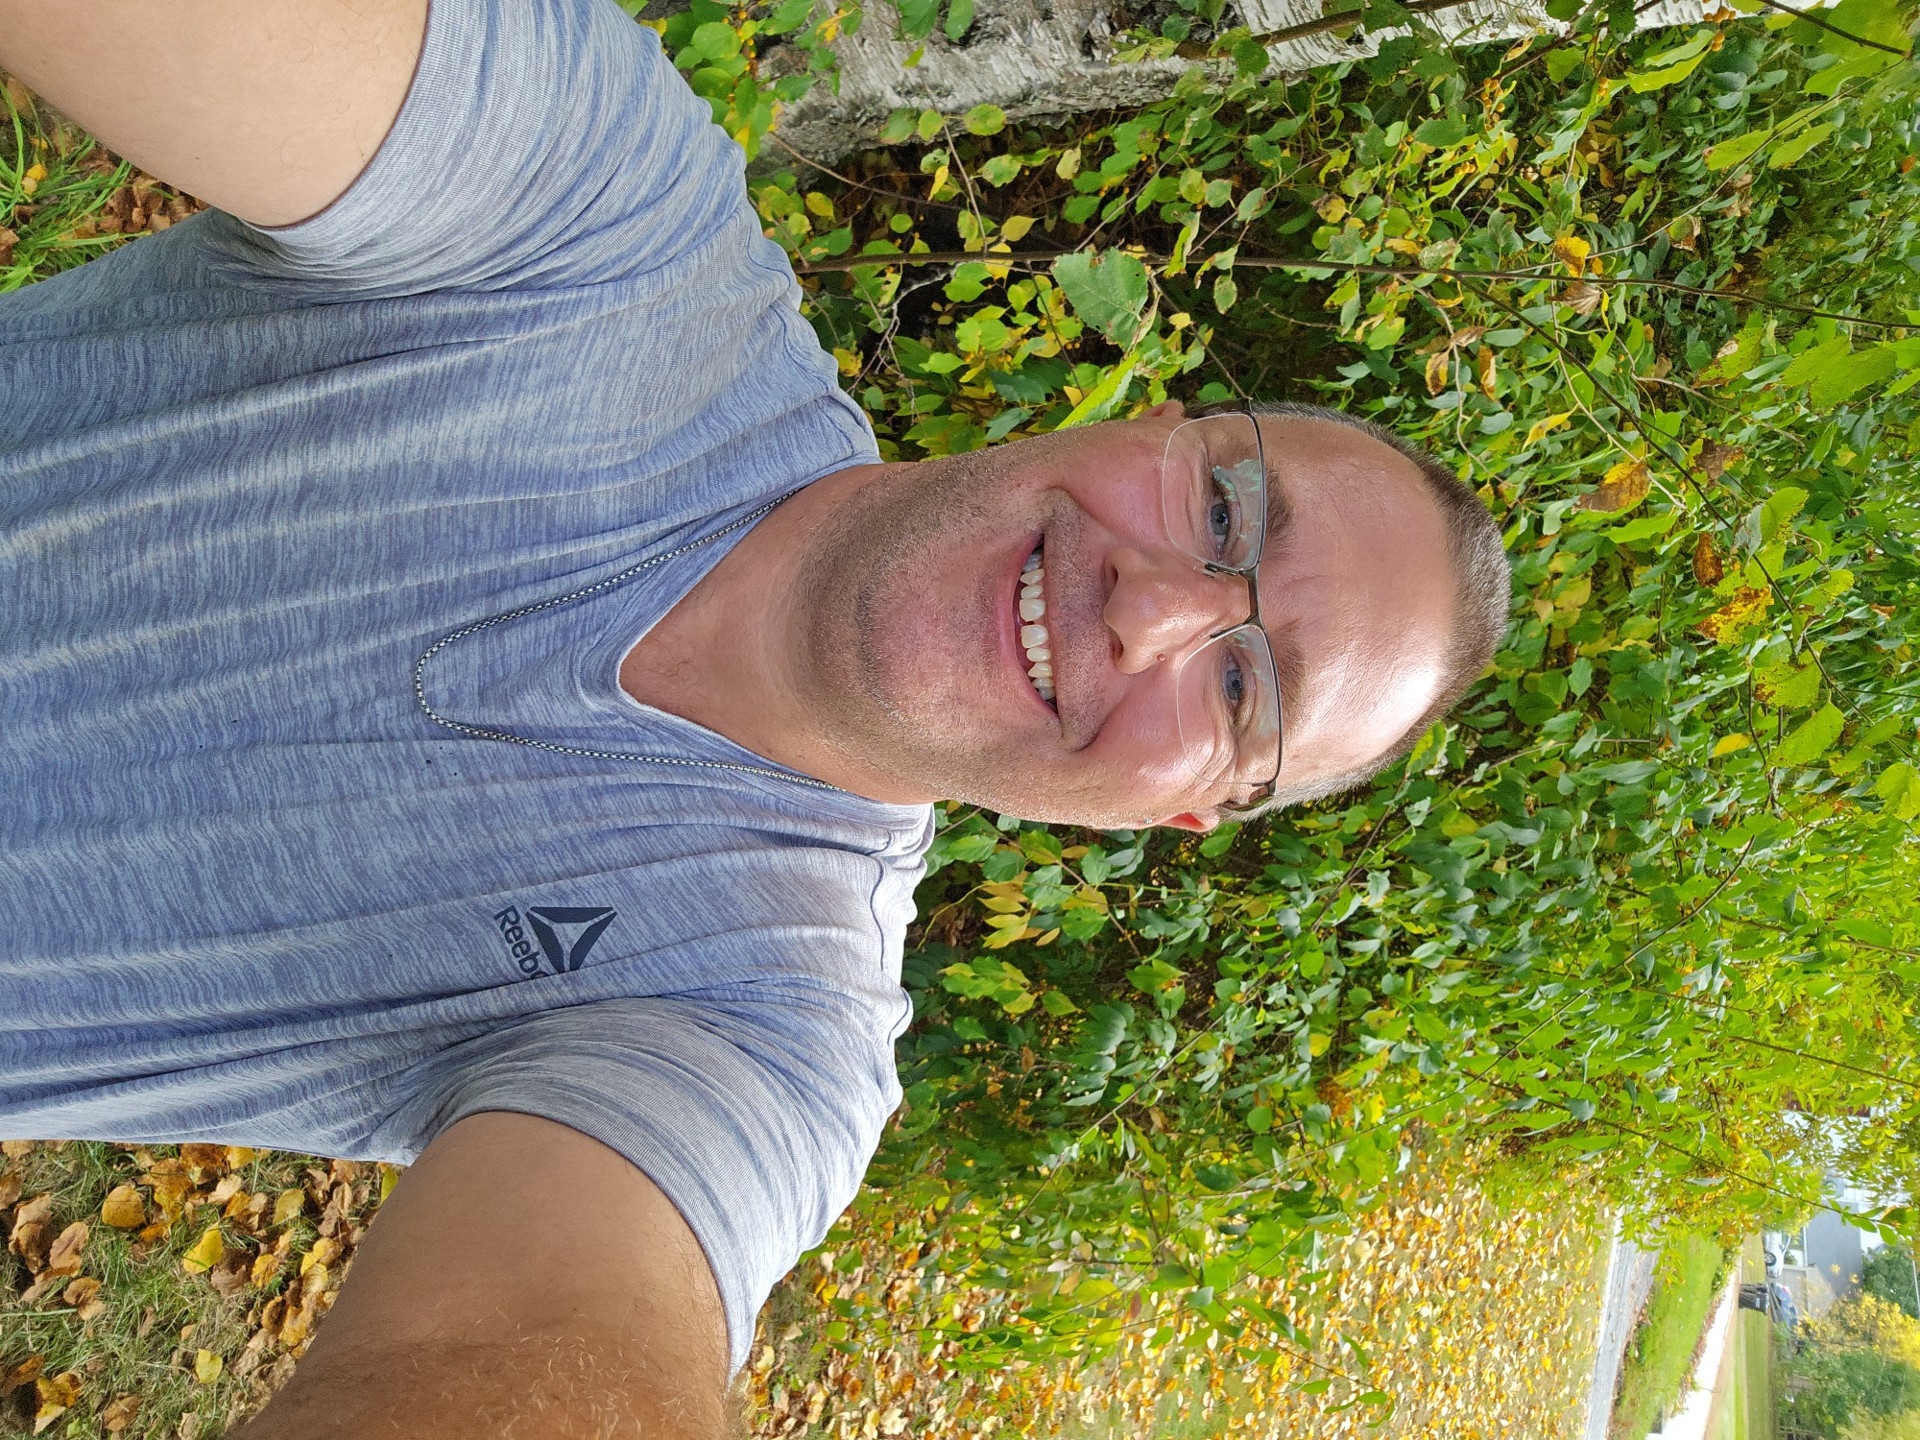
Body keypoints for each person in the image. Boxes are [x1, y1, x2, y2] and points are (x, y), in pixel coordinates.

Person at [0, 0, 1509, 1432]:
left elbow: (536, 1356)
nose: (1155, 606)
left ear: (1173, 814)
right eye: (1227, 513)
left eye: (1244, 688)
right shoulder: (607, 228)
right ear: (1153, 422)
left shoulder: (767, 1034)